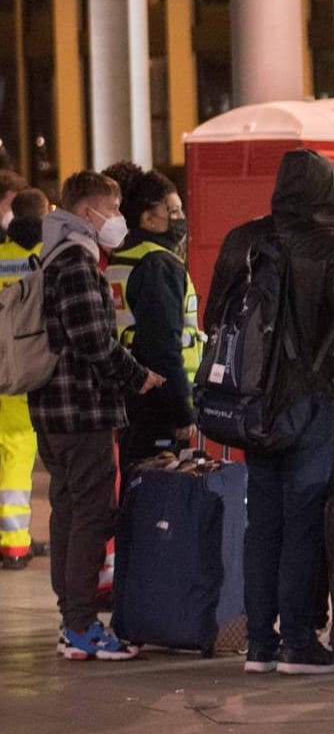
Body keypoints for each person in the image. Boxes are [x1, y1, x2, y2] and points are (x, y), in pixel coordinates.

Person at [208, 149, 334, 676]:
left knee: (263, 524)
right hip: (312, 402)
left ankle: (259, 643)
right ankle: (299, 642)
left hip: (253, 405)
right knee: (305, 520)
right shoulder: (333, 250)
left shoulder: (243, 240)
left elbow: (216, 314)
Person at [29, 171, 164, 660]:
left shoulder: (50, 253)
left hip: (52, 407)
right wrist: (137, 376)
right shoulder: (78, 262)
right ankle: (82, 623)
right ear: (89, 212)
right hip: (80, 408)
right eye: (113, 207)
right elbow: (92, 339)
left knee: (68, 510)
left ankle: (72, 619)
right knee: (90, 512)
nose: (118, 218)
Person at [106, 170, 200, 471]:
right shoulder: (159, 264)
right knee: (164, 499)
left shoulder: (124, 258)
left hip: (131, 393)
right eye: (172, 210)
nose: (181, 216)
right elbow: (163, 345)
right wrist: (182, 411)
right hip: (160, 401)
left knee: (139, 488)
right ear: (148, 219)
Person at [1, 188, 48, 570]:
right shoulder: (46, 255)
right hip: (30, 366)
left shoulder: (1, 254)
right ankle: (15, 542)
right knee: (18, 452)